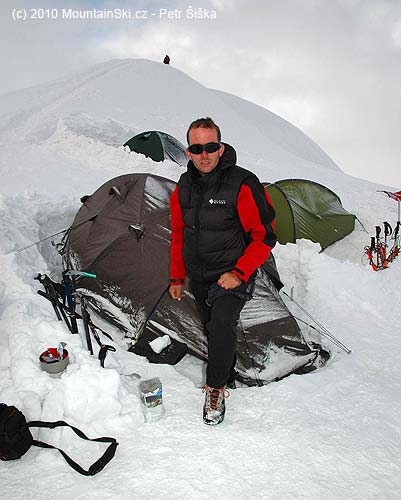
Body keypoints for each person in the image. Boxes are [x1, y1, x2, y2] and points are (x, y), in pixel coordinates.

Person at [169, 117, 276, 425]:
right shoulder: (183, 187)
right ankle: (226, 373)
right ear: (188, 151)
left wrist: (240, 272)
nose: (204, 155)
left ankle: (215, 388)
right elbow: (179, 233)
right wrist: (177, 276)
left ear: (221, 147)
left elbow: (264, 236)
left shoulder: (242, 183)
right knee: (211, 326)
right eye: (197, 148)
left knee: (223, 321)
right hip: (199, 274)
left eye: (211, 147)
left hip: (231, 271)